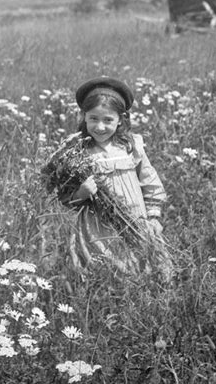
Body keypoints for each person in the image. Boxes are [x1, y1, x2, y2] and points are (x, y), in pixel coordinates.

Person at [58, 76, 172, 280]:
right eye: (93, 118)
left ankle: (141, 295)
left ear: (121, 119)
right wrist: (81, 192)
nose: (100, 127)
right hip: (98, 224)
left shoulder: (130, 146)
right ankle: (106, 297)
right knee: (106, 265)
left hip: (134, 216)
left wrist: (153, 216)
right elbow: (66, 197)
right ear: (83, 116)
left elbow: (150, 181)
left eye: (108, 120)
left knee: (142, 260)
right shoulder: (77, 153)